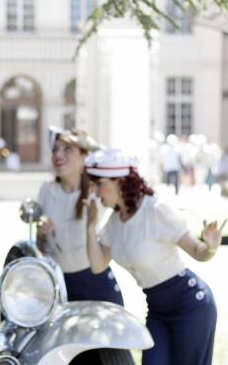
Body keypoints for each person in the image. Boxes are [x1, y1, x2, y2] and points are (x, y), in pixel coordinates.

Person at [84, 148, 221, 365]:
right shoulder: (115, 221)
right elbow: (98, 265)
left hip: (191, 307)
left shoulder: (155, 210)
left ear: (120, 181)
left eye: (99, 184)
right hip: (157, 311)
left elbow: (198, 251)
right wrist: (90, 226)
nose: (95, 191)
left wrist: (211, 248)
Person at [37, 126, 124, 306]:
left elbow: (111, 159)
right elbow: (40, 246)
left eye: (67, 149)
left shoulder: (97, 189)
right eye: (55, 150)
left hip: (97, 283)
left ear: (85, 156)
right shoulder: (47, 191)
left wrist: (89, 144)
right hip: (60, 285)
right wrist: (42, 231)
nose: (58, 155)